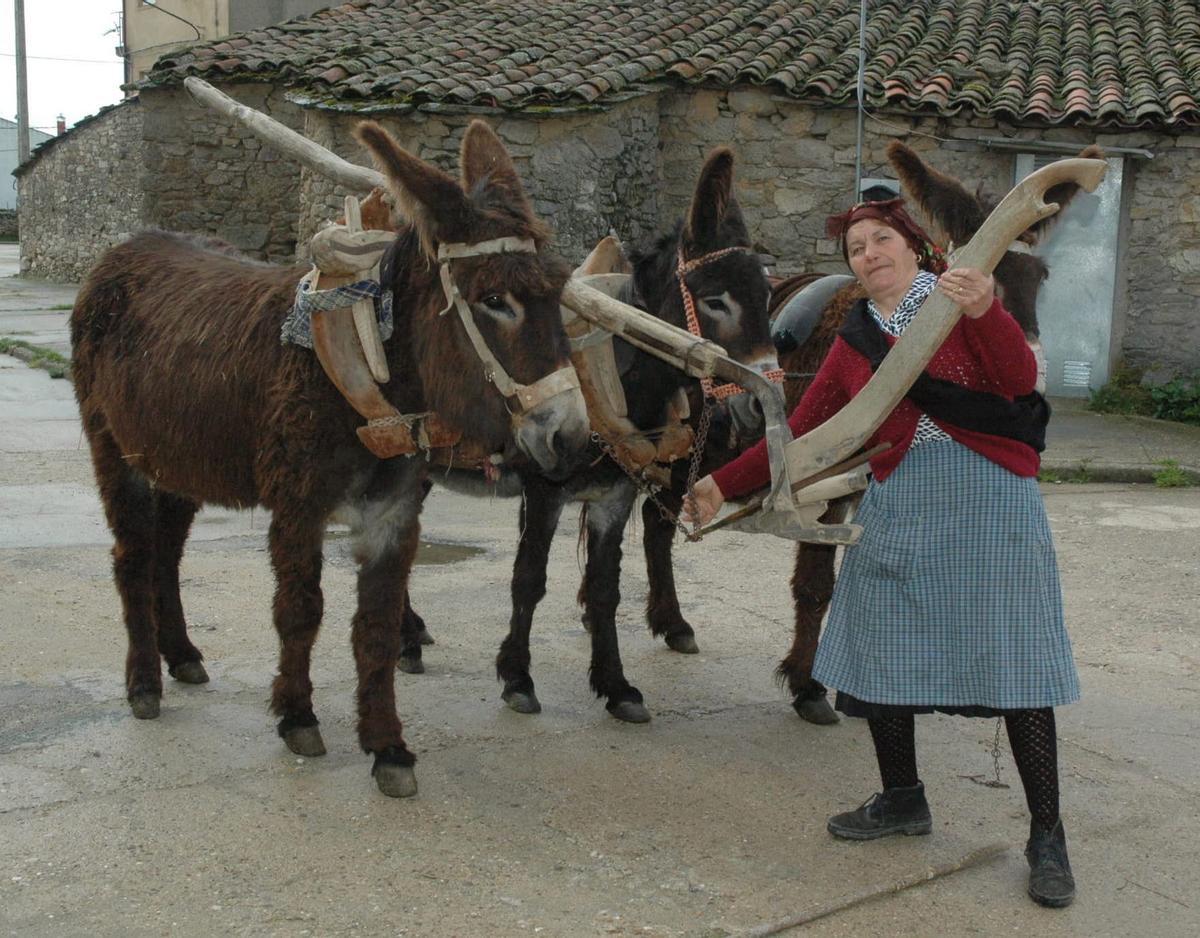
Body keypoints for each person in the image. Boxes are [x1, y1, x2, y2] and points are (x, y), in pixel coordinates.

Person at [683, 198, 1079, 909]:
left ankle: (1047, 836)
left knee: (1016, 664)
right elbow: (802, 436)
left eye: (882, 239)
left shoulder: (960, 298)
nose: (869, 253)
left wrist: (987, 308)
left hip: (989, 498)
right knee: (878, 647)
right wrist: (719, 483)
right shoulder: (856, 339)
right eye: (856, 248)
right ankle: (903, 799)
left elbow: (1018, 381)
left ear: (915, 247)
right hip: (901, 500)